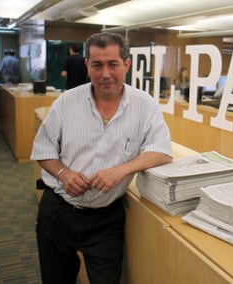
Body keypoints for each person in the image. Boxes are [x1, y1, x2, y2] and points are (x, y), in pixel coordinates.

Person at [31, 32, 173, 284]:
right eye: (97, 65)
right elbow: (43, 151)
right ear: (87, 65)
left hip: (105, 221)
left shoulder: (145, 106)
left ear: (126, 65)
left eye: (113, 64)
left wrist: (121, 170)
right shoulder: (66, 103)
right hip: (58, 213)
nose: (105, 73)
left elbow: (161, 151)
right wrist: (64, 174)